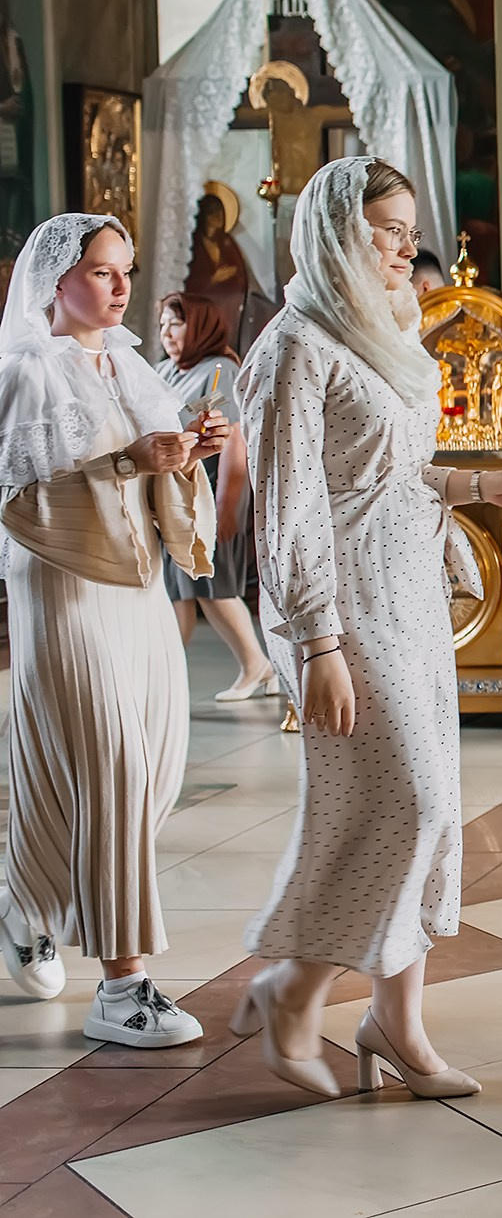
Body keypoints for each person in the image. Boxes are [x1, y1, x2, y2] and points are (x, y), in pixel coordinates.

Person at [234, 157, 502, 1098]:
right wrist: (318, 643)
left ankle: (397, 1024)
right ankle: (293, 990)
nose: (408, 246)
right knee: (405, 804)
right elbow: (287, 510)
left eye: (412, 228)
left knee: (426, 804)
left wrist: (480, 484)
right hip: (337, 603)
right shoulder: (294, 347)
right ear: (339, 232)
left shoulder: (386, 325)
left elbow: (397, 470)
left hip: (408, 590)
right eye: (389, 229)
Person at [0, 214, 222, 1044]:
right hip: (64, 587)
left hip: (137, 584)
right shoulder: (27, 372)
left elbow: (151, 478)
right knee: (115, 769)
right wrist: (133, 460)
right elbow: (17, 500)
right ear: (55, 281)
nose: (121, 285)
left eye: (124, 268)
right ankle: (123, 988)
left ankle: (22, 898)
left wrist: (187, 454)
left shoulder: (130, 365)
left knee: (153, 768)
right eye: (100, 270)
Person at [154, 292, 274, 702]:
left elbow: (234, 441)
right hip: (174, 499)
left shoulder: (220, 370)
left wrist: (226, 505)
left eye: (176, 323)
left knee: (214, 587)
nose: (167, 333)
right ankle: (166, 674)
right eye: (163, 325)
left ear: (200, 325)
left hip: (209, 495)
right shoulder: (164, 371)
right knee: (179, 589)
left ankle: (256, 666)